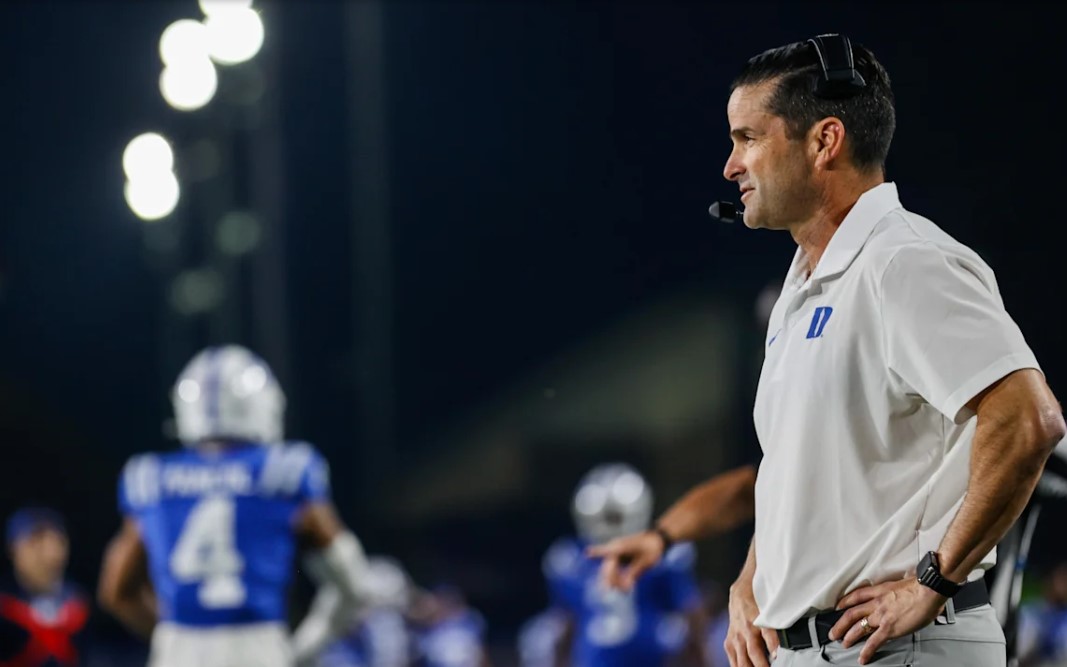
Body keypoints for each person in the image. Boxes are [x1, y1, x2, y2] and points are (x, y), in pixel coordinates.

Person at [591, 33, 1065, 667]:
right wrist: (753, 580)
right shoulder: (803, 284)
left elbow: (1030, 419)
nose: (731, 166)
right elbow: (792, 475)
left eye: (748, 138)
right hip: (826, 649)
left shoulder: (905, 262)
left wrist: (934, 581)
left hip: (899, 647)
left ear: (824, 141)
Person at [97, 344, 376, 667]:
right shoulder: (284, 471)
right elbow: (355, 584)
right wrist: (302, 649)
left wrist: (171, 636)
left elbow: (116, 592)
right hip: (258, 650)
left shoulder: (151, 478)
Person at [543, 463, 711, 666]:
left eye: (614, 518)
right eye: (604, 518)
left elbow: (692, 619)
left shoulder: (570, 560)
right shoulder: (569, 558)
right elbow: (566, 626)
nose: (608, 527)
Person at [0, 507, 91, 666]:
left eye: (57, 542)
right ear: (13, 550)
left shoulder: (79, 603)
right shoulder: (5, 607)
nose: (49, 555)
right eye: (36, 543)